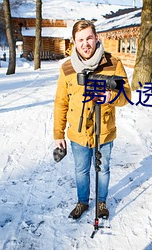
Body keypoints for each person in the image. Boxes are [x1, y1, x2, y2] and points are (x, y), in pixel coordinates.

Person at [53, 20, 131, 220]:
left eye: (89, 38)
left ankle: (102, 202)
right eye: (80, 40)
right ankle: (82, 202)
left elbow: (127, 95)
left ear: (96, 38)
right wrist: (58, 134)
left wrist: (111, 97)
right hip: (78, 133)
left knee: (103, 168)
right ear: (74, 42)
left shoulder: (113, 64)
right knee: (81, 170)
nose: (85, 43)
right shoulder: (67, 68)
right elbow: (61, 102)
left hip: (104, 130)